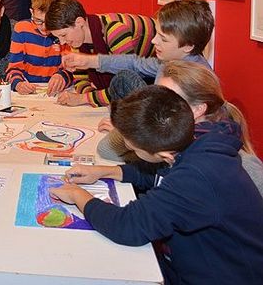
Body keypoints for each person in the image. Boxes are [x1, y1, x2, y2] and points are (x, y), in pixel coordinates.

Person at [50, 85, 263, 285]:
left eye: (132, 148)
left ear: (162, 154)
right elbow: (157, 174)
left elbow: (127, 225)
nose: (130, 151)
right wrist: (106, 171)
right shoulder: (195, 140)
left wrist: (78, 195)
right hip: (193, 261)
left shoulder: (196, 177)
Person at [62, 0, 213, 99]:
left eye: (163, 38)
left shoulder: (195, 80)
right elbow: (134, 63)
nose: (154, 41)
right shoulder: (167, 62)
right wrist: (89, 61)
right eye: (157, 34)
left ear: (188, 46)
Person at [156, 61, 262, 195]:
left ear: (197, 109)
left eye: (166, 102)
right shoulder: (177, 145)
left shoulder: (243, 166)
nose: (155, 107)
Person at [44, 0, 156, 107]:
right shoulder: (77, 38)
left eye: (63, 35)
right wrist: (90, 95)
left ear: (79, 22)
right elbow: (80, 78)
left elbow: (126, 87)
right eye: (59, 38)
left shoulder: (114, 31)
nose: (63, 42)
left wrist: (84, 99)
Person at [5, 0, 71, 95]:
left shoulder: (63, 31)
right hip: (30, 91)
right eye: (38, 21)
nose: (44, 27)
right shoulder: (21, 29)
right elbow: (13, 69)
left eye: (49, 21)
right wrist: (18, 84)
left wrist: (62, 76)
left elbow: (73, 70)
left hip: (57, 92)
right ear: (31, 12)